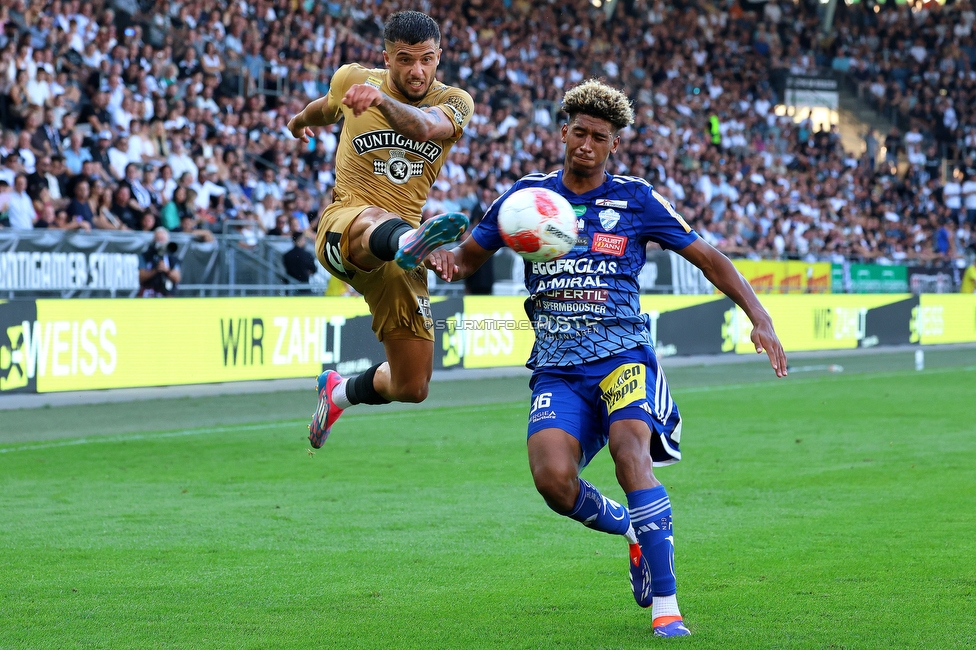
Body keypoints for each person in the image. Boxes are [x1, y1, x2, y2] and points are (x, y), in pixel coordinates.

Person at [426, 80, 788, 638]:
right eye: (579, 133)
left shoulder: (637, 199)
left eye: (599, 136)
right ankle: (633, 533)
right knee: (552, 480)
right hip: (557, 366)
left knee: (629, 456)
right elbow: (466, 260)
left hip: (623, 356)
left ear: (614, 143)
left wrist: (758, 316)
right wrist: (440, 259)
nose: (587, 145)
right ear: (562, 132)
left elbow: (709, 257)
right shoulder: (525, 200)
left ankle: (666, 606)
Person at [285, 10, 475, 448]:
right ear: (385, 57)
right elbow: (327, 107)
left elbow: (425, 127)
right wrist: (298, 122)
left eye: (427, 59)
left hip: (400, 255)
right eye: (405, 59)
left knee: (412, 385)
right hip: (347, 225)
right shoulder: (352, 77)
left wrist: (380, 102)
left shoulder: (455, 101)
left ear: (439, 56)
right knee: (376, 219)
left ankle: (338, 392)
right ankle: (410, 241)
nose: (417, 70)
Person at [138, 227, 181, 297]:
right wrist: (155, 270)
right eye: (158, 239)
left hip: (167, 293)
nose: (160, 242)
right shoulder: (146, 256)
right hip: (150, 293)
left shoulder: (172, 258)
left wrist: (167, 270)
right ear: (154, 240)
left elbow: (177, 277)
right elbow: (141, 277)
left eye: (162, 240)